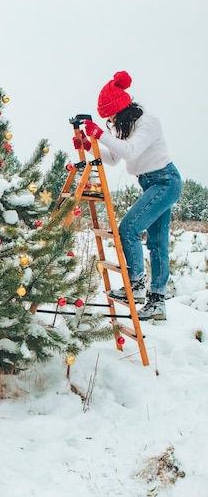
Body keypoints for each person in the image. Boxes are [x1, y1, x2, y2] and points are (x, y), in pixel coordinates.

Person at [74, 70, 182, 321]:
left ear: (122, 109)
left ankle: (135, 285)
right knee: (156, 243)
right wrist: (90, 146)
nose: (110, 121)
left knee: (129, 228)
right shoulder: (125, 128)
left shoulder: (148, 123)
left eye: (111, 116)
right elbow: (113, 158)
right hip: (151, 184)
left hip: (166, 181)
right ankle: (157, 303)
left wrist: (100, 134)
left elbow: (131, 152)